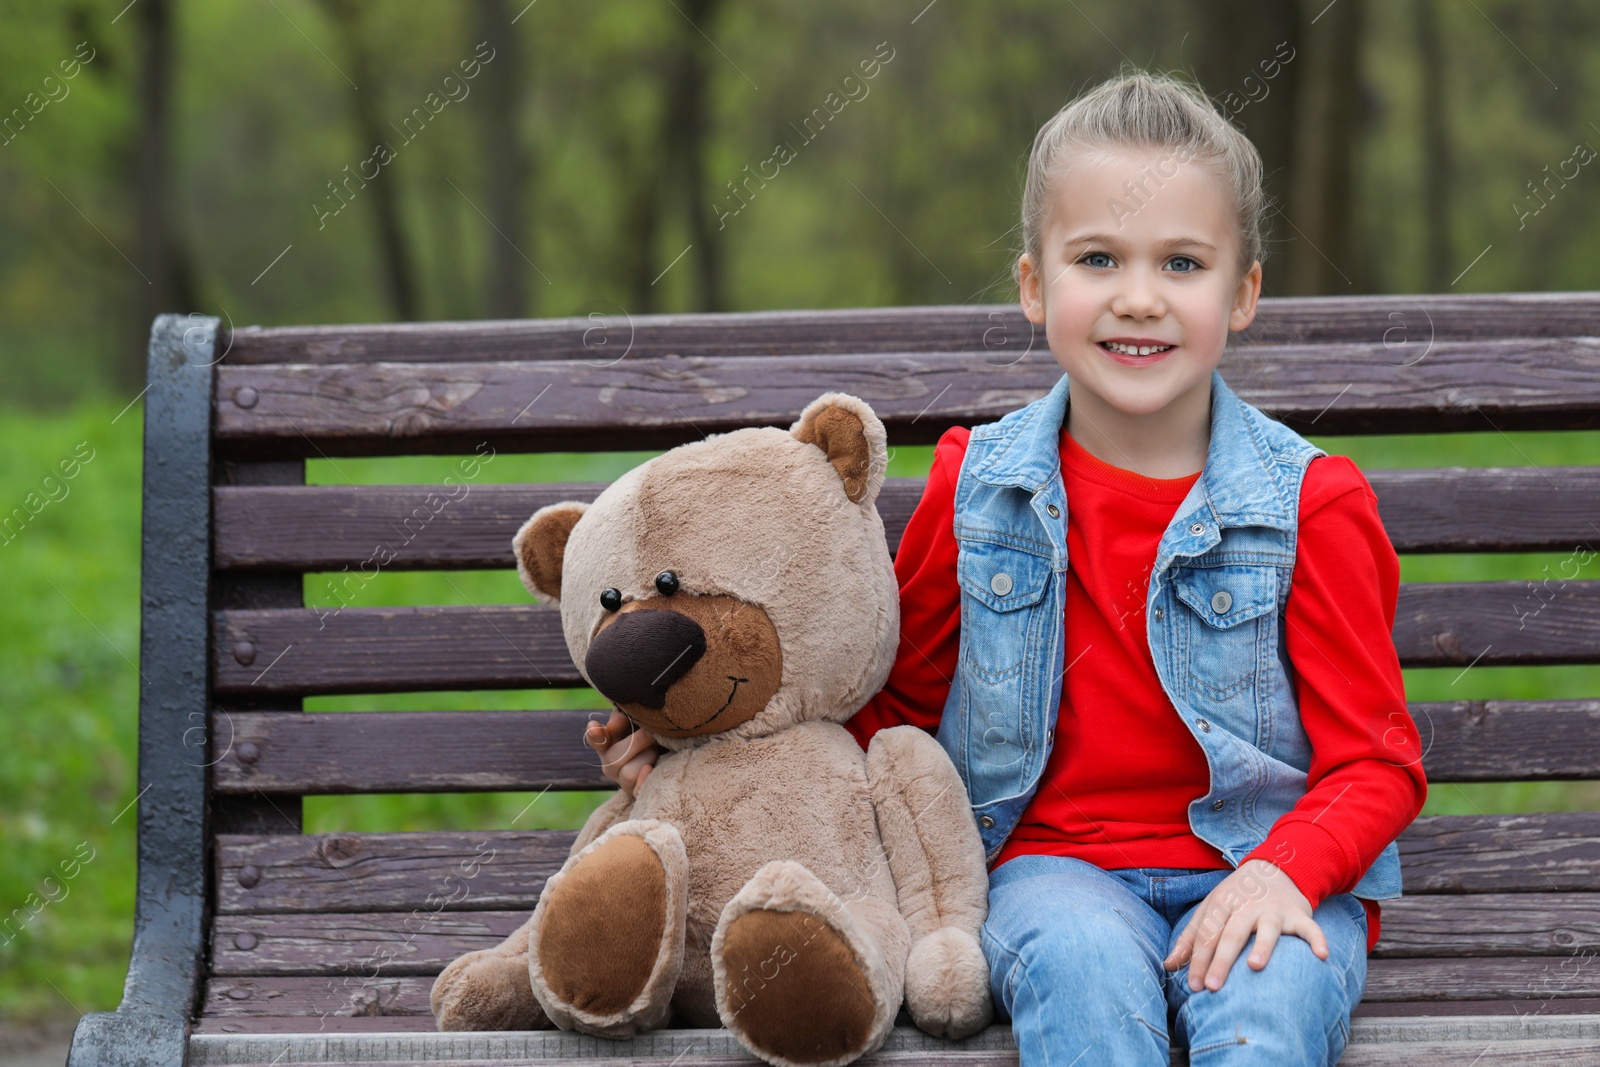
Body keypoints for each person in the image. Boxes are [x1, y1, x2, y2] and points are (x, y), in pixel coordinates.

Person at [583, 68, 1427, 1066]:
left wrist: (1286, 870)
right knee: (1081, 975)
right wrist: (695, 738)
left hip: (1264, 863)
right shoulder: (975, 489)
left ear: (1242, 293)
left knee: (1266, 1004)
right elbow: (883, 704)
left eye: (1184, 263)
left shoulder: (1307, 504)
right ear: (1035, 284)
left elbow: (1374, 759)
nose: (1139, 297)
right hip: (1050, 868)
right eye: (1098, 257)